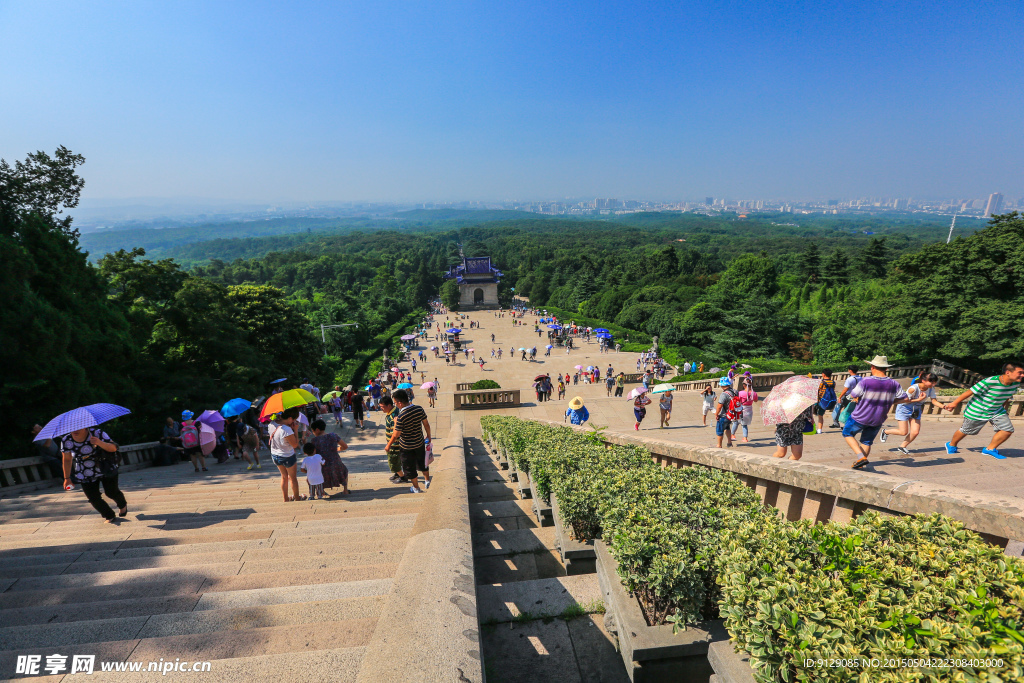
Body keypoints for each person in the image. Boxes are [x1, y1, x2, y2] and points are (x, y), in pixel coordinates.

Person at [944, 361, 1023, 459]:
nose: (1022, 375)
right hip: (978, 410)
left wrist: (1002, 407)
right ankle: (951, 444)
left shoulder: (1015, 384)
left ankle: (989, 449)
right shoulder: (989, 381)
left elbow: (1006, 395)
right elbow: (970, 391)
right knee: (966, 430)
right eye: (1020, 373)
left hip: (996, 410)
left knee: (1007, 430)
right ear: (1008, 372)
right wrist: (954, 403)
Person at [842, 356, 909, 469]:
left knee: (847, 433)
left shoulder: (866, 381)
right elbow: (905, 398)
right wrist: (892, 401)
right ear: (886, 369)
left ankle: (861, 457)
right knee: (866, 441)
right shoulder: (893, 383)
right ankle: (860, 465)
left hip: (861, 415)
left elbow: (853, 395)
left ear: (872, 367)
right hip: (878, 418)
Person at [61, 425, 126, 523]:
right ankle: (109, 515)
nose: (74, 430)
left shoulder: (97, 433)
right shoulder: (66, 440)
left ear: (85, 426)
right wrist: (67, 478)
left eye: (78, 427)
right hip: (84, 471)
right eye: (71, 428)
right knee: (93, 498)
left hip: (104, 466)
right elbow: (67, 459)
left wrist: (99, 442)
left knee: (111, 492)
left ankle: (122, 504)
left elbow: (113, 448)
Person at [880, 372, 943, 455]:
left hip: (916, 409)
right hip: (904, 408)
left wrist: (944, 406)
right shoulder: (913, 389)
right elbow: (902, 400)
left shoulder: (931, 389)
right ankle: (886, 432)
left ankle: (902, 446)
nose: (933, 384)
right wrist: (918, 399)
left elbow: (934, 401)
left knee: (915, 432)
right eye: (931, 382)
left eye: (935, 382)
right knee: (903, 432)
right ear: (923, 380)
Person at [386, 389, 432, 493]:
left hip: (406, 447)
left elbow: (396, 434)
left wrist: (388, 444)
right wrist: (429, 436)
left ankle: (416, 488)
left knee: (409, 467)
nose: (395, 405)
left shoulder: (401, 417)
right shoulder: (419, 409)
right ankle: (427, 480)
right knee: (423, 462)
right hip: (419, 442)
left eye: (395, 403)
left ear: (400, 403)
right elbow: (426, 424)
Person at [269, 408, 304, 502]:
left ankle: (285, 498)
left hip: (275, 455)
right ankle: (297, 498)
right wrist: (295, 430)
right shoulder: (286, 429)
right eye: (293, 419)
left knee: (284, 477)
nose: (294, 421)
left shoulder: (272, 424)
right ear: (289, 418)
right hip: (287, 456)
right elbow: (295, 445)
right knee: (292, 478)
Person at [310, 419, 349, 494]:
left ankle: (322, 492)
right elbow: (345, 446)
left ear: (317, 430)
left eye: (313, 431)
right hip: (336, 463)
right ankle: (345, 490)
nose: (313, 433)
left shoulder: (314, 440)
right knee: (345, 470)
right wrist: (337, 449)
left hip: (322, 466)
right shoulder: (333, 435)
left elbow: (312, 454)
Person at [380, 396, 407, 484]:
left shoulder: (392, 417)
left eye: (382, 407)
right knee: (397, 459)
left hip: (394, 444)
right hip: (396, 443)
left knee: (393, 461)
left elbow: (395, 433)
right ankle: (397, 474)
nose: (381, 409)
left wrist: (389, 445)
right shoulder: (395, 410)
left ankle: (402, 477)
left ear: (389, 405)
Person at [714, 378, 739, 448]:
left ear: (722, 385)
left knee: (719, 429)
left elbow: (719, 406)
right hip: (732, 414)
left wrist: (716, 414)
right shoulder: (735, 391)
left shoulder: (724, 394)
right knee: (727, 427)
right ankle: (729, 442)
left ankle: (719, 445)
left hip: (724, 415)